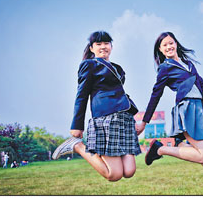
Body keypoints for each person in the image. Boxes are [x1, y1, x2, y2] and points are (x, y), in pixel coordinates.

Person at [52, 31, 141, 182]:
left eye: (106, 43)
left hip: (124, 120)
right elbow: (81, 95)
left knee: (130, 171)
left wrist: (134, 118)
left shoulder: (118, 69)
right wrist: (76, 125)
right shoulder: (89, 65)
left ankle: (86, 148)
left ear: (111, 47)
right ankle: (77, 146)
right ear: (92, 48)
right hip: (105, 120)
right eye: (98, 44)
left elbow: (119, 94)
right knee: (114, 174)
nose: (103, 47)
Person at [140, 32, 203, 167]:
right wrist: (145, 121)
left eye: (171, 43)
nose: (169, 46)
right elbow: (156, 94)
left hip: (200, 108)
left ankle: (178, 144)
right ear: (160, 49)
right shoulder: (165, 67)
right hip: (187, 108)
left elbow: (201, 82)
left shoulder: (188, 64)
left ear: (176, 44)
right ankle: (160, 149)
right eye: (165, 45)